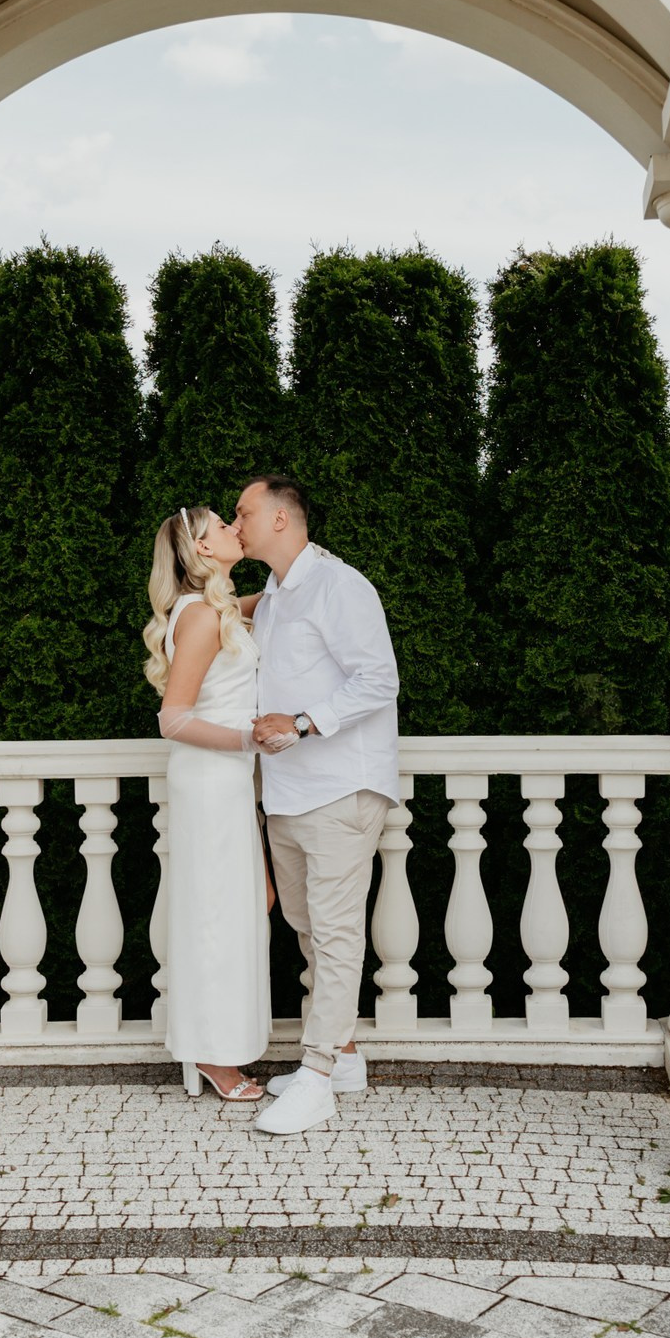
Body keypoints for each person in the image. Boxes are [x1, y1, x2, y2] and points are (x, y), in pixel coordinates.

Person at [233, 474, 400, 1136]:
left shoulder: (340, 585)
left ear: (281, 517)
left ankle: (319, 1075)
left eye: (243, 513)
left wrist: (302, 722)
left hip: (339, 786)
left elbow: (379, 679)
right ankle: (346, 1056)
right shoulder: (275, 596)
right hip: (287, 792)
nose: (236, 524)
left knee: (333, 934)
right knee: (305, 926)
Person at [144, 504, 272, 1101]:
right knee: (217, 914)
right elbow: (172, 719)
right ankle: (211, 1055)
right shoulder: (198, 616)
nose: (233, 529)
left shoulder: (214, 607)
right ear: (200, 548)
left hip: (227, 779)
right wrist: (250, 739)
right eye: (222, 525)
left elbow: (263, 603)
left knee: (246, 903)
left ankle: (220, 1043)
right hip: (210, 777)